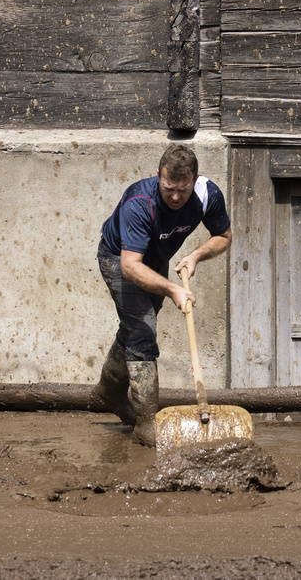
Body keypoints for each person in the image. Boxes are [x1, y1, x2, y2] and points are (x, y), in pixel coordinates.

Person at [91, 144, 232, 445]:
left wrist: (195, 256)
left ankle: (108, 390)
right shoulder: (140, 203)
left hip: (154, 260)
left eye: (183, 189)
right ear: (159, 177)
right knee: (143, 330)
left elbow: (223, 236)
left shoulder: (208, 195)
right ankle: (145, 425)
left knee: (135, 326)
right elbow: (130, 267)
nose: (176, 197)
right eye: (169, 189)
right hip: (119, 259)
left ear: (194, 180)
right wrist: (172, 289)